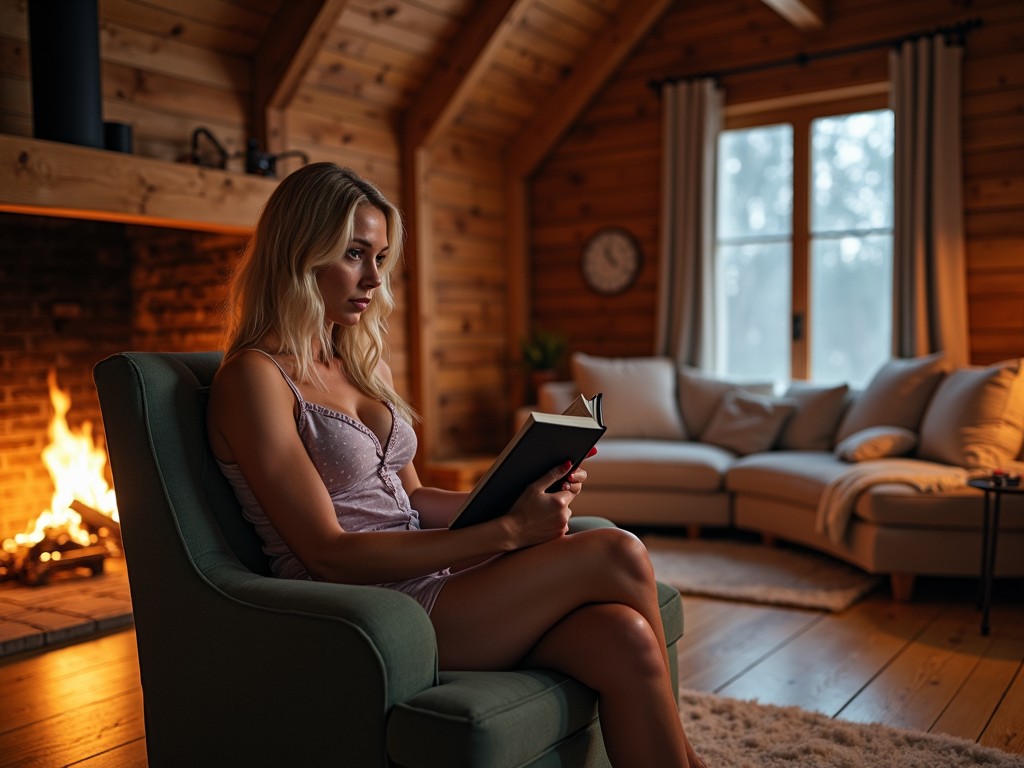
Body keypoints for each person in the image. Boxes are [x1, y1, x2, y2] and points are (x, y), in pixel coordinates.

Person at [206, 162, 706, 768]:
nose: (373, 277)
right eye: (354, 253)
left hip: (433, 576)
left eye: (381, 257)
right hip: (370, 608)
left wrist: (522, 487)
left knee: (625, 639)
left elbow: (411, 500)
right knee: (616, 550)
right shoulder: (254, 379)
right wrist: (507, 532)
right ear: (299, 252)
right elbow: (327, 551)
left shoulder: (362, 364)